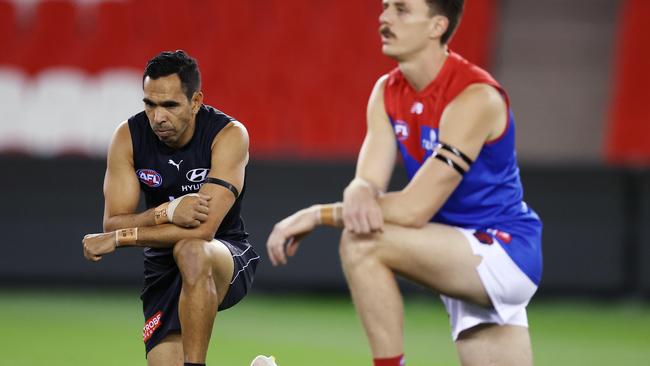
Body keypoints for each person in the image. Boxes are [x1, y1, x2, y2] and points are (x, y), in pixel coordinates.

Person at [266, 1, 542, 365]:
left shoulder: (474, 97)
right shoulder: (387, 91)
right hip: (456, 253)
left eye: (401, 10)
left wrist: (319, 214)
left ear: (436, 26)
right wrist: (358, 189)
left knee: (361, 243)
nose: (384, 18)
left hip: (502, 250)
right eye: (385, 7)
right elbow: (368, 180)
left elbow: (414, 210)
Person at [81, 50, 265, 366]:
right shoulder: (128, 137)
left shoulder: (228, 134)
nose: (158, 117)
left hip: (223, 252)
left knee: (191, 249)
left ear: (195, 102)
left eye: (170, 105)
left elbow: (204, 230)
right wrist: (166, 211)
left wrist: (121, 238)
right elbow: (113, 221)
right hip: (162, 265)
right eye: (149, 104)